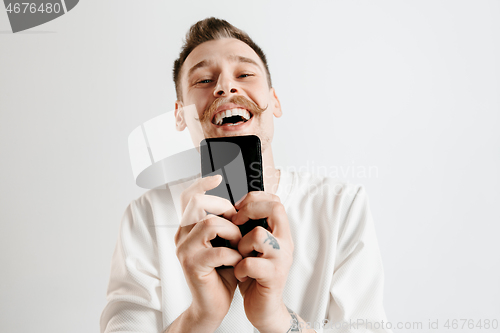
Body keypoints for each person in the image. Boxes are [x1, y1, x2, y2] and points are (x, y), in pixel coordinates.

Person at [101, 17, 391, 333]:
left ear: (274, 100)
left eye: (245, 74)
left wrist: (276, 319)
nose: (225, 86)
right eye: (203, 81)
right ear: (180, 115)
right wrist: (201, 316)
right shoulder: (146, 215)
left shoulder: (340, 205)